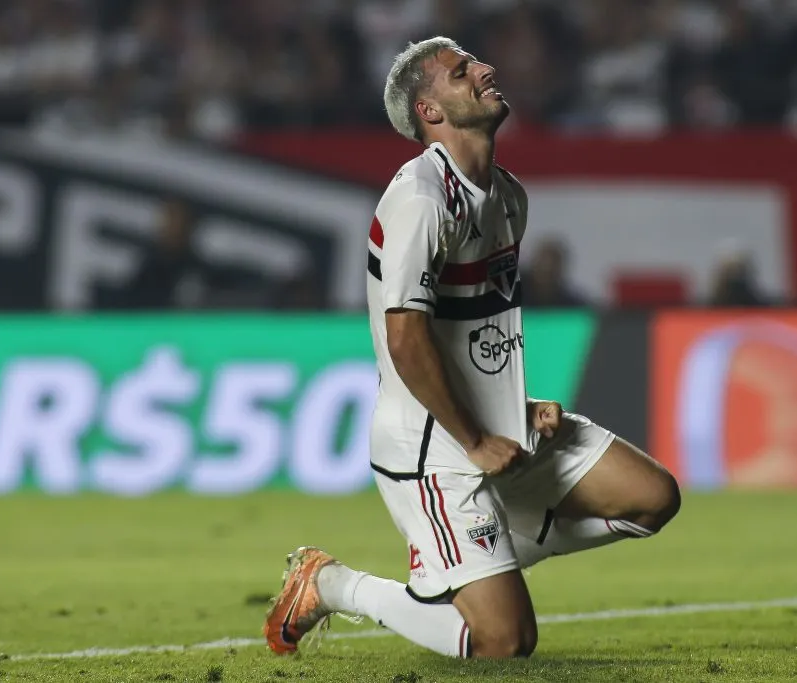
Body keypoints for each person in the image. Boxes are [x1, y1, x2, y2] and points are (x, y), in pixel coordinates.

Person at [263, 36, 681, 659]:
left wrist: (519, 406)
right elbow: (407, 339)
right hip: (434, 446)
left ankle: (485, 557)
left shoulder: (508, 197)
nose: (485, 69)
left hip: (497, 429)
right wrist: (477, 440)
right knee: (503, 643)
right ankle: (332, 584)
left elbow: (480, 330)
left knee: (651, 500)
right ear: (430, 112)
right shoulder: (420, 200)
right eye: (462, 72)